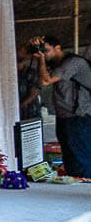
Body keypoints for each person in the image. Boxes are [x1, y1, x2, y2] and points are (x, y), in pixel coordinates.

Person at [30, 34, 91, 177]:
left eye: (46, 50)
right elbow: (24, 55)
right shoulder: (54, 63)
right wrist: (34, 45)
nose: (43, 53)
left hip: (79, 117)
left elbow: (46, 81)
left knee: (80, 157)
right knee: (69, 157)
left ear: (58, 48)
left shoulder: (73, 62)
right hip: (65, 116)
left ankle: (84, 187)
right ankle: (72, 186)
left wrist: (42, 60)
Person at [17, 44, 43, 121]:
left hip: (30, 113)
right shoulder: (9, 74)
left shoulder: (30, 72)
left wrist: (20, 106)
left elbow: (34, 93)